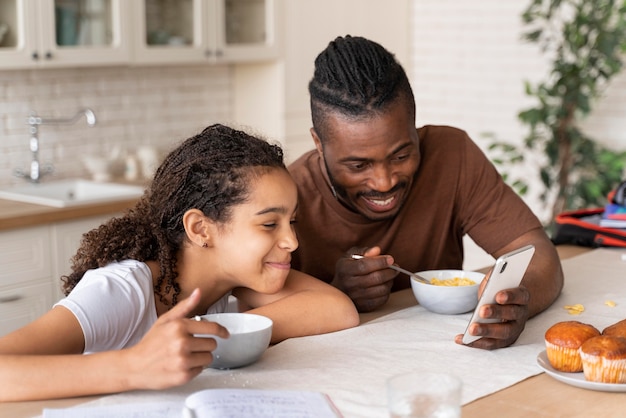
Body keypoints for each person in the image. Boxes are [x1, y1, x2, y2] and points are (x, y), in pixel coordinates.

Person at [0, 124, 359, 402]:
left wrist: (222, 331)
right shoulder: (123, 290)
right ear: (200, 228)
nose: (291, 241)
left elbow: (337, 309)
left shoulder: (233, 277)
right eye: (269, 224)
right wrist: (134, 367)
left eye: (291, 221)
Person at [288, 35, 564, 350]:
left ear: (415, 129)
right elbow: (255, 314)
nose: (384, 182)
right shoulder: (287, 196)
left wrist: (514, 300)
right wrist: (336, 292)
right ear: (318, 144)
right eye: (358, 166)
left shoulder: (452, 155)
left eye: (401, 156)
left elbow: (536, 251)